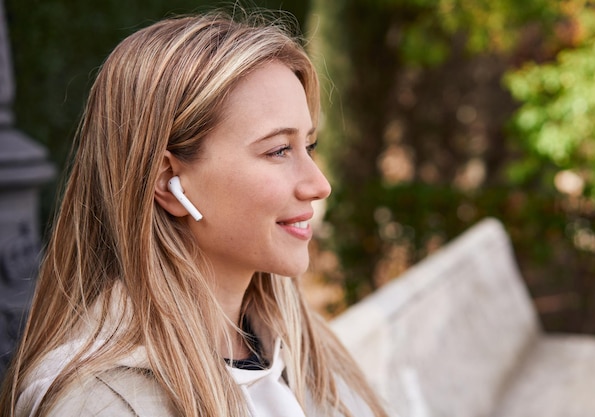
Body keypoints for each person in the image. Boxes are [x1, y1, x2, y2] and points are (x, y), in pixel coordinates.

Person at [0, 10, 389, 417]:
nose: (319, 184)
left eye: (308, 146)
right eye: (278, 150)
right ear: (169, 181)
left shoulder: (306, 348)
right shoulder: (98, 405)